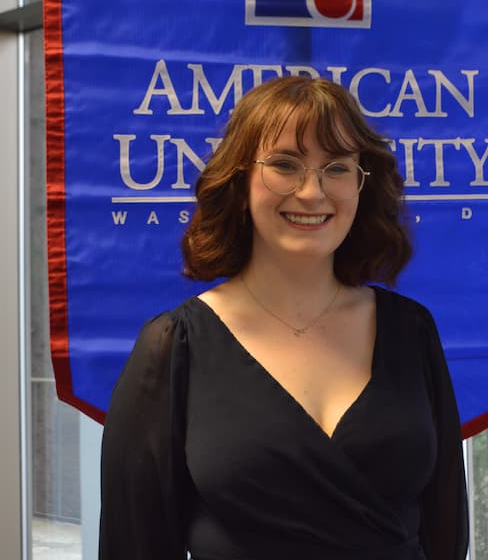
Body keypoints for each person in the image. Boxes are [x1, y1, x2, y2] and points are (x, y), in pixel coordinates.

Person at [99, 76, 468, 560]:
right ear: (239, 181)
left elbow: (447, 531)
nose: (312, 192)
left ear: (362, 185)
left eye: (337, 168)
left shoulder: (412, 330)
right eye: (285, 165)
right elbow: (133, 548)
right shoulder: (174, 345)